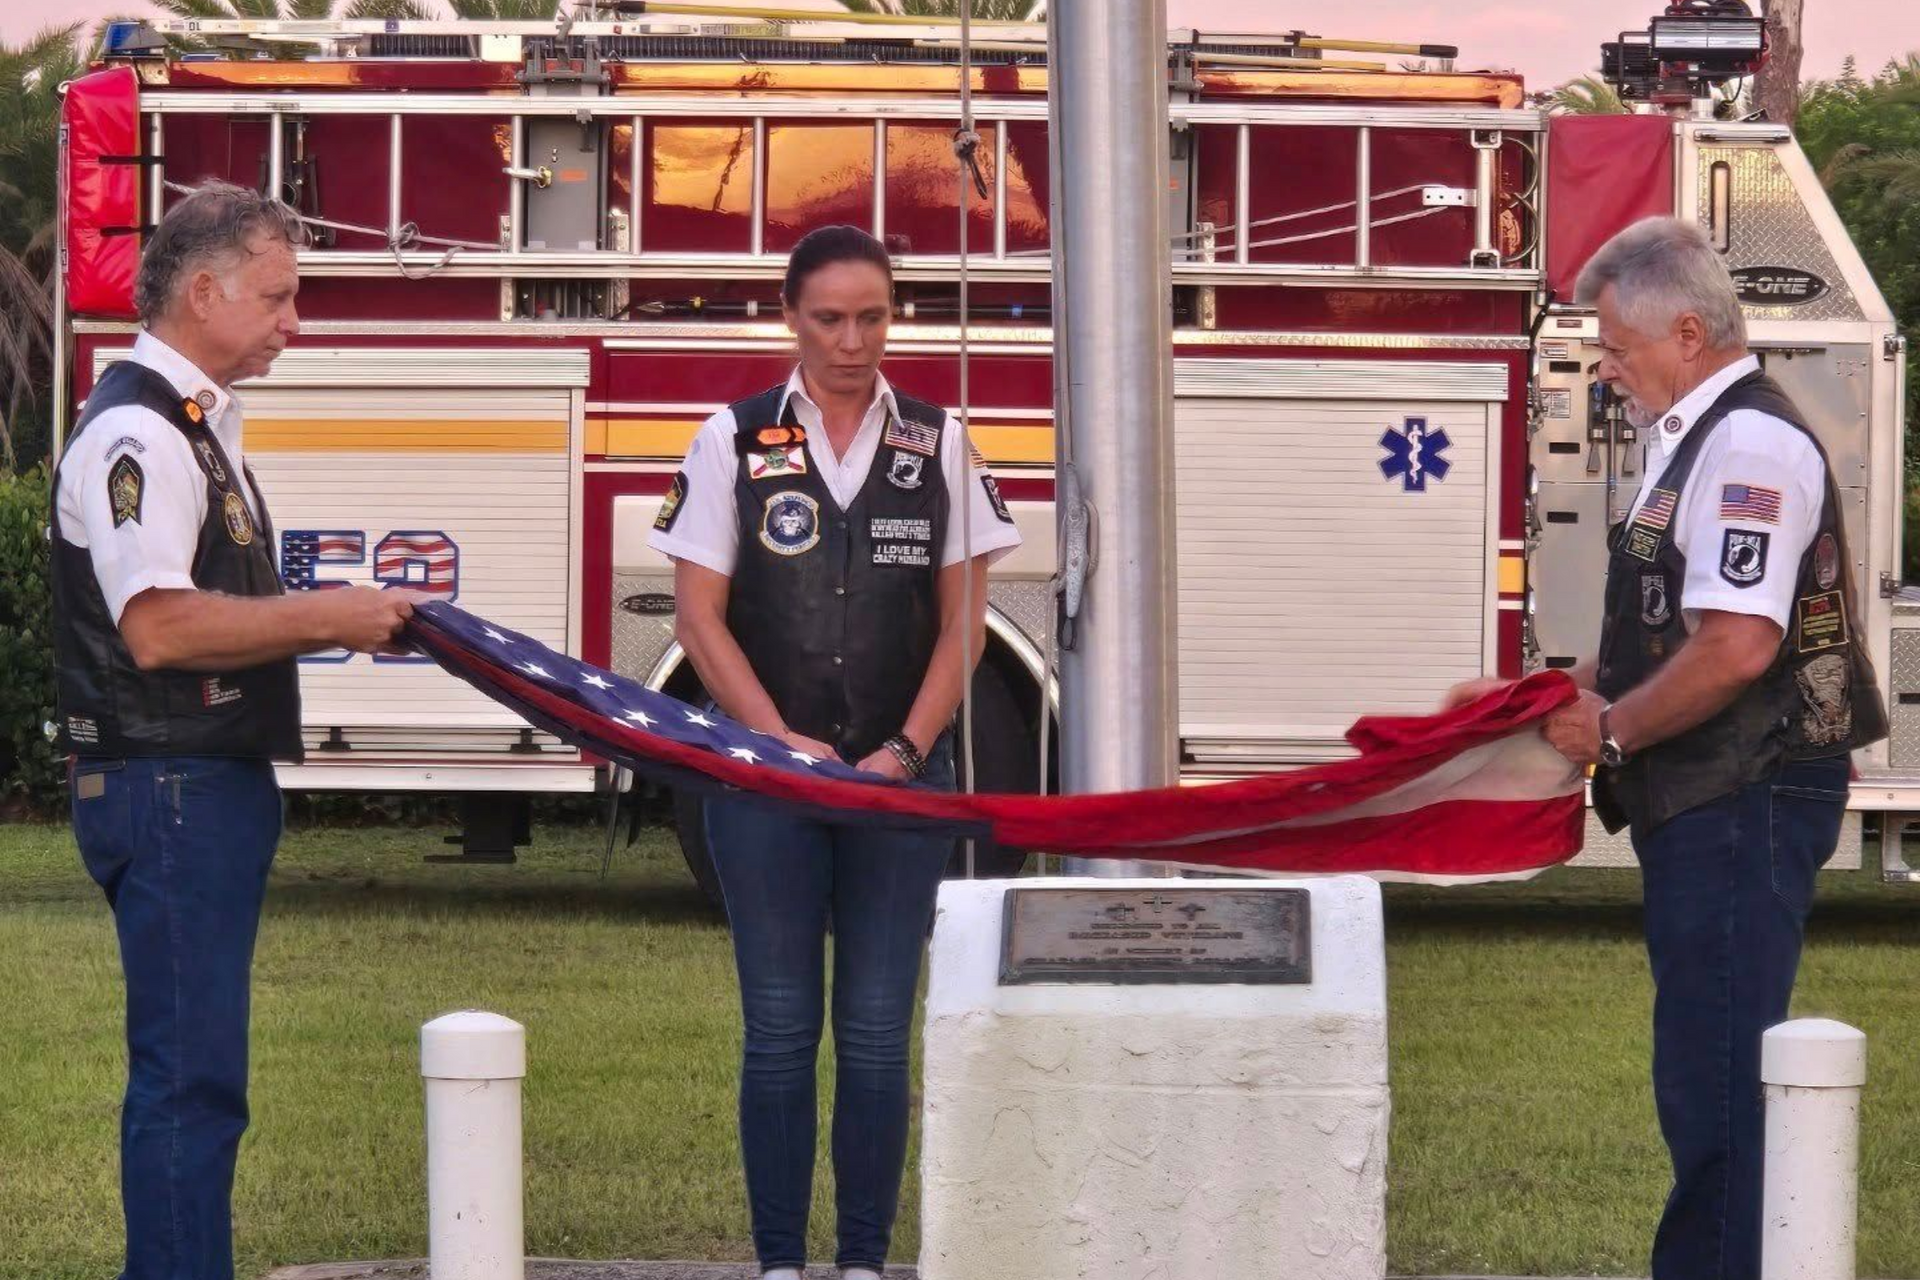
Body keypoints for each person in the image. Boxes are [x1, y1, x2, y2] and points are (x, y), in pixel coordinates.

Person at [1450, 217, 1884, 1280]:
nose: (1604, 368)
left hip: (1747, 788)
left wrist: (1610, 729)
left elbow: (1736, 646)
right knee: (1700, 1068)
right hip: (1705, 790)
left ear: (1686, 330)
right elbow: (1662, 627)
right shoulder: (1689, 439)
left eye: (1614, 345)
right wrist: (1539, 696)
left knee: (1721, 1076)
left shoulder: (1750, 445)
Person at [51, 181, 419, 1280]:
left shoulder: (189, 423)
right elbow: (159, 627)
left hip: (191, 786)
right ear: (202, 291)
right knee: (191, 1079)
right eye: (278, 296)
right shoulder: (138, 432)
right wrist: (336, 614)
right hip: (170, 785)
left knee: (199, 1074)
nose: (293, 321)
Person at [650, 223, 1022, 1279]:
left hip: (898, 789)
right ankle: (778, 1261)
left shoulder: (942, 442)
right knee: (776, 1030)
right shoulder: (733, 436)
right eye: (829, 318)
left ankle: (862, 1259)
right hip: (763, 785)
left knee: (872, 1033)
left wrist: (907, 747)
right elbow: (697, 618)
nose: (853, 340)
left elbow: (965, 626)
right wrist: (777, 741)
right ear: (790, 316)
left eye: (872, 316)